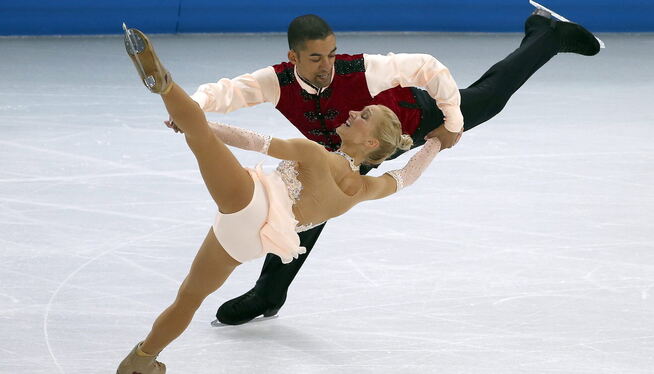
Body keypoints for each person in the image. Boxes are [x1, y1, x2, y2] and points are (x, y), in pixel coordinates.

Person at [176, 4, 602, 326]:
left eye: (331, 54)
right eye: (315, 59)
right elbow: (224, 93)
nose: (327, 67)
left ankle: (547, 34)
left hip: (415, 118)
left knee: (487, 99)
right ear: (293, 57)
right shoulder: (275, 82)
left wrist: (450, 123)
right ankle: (270, 293)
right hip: (344, 151)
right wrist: (190, 110)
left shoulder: (363, 69)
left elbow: (428, 67)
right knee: (310, 209)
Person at [117, 27, 450, 374]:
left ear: (370, 145)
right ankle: (140, 362)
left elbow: (250, 140)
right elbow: (407, 176)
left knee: (199, 138)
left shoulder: (315, 153)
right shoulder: (365, 190)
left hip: (247, 202)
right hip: (248, 243)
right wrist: (437, 143)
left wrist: (195, 124)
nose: (352, 113)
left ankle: (166, 85)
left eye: (363, 116)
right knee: (190, 298)